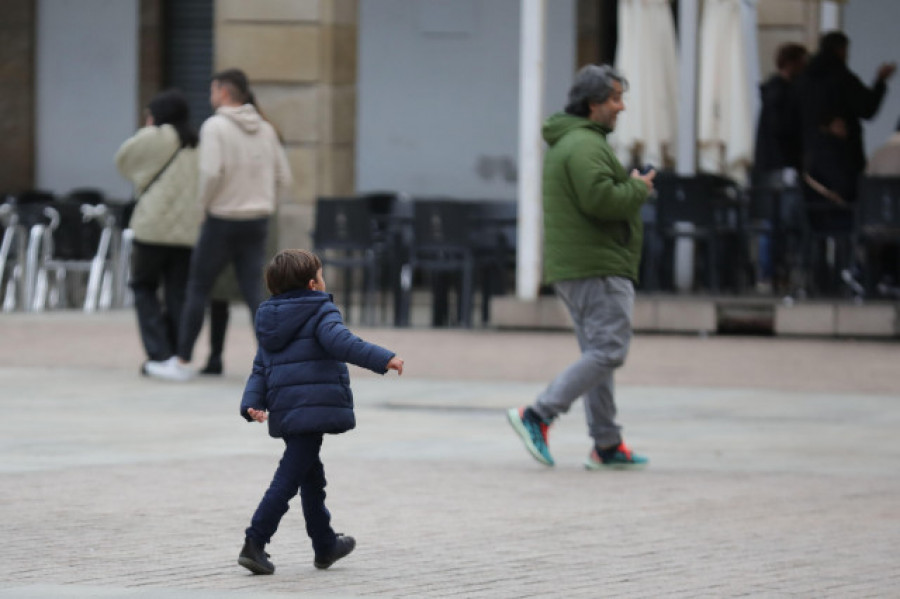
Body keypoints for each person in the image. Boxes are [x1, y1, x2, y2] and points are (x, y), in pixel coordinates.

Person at [506, 65, 655, 470]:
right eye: (615, 99)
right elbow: (600, 200)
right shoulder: (585, 145)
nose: (621, 107)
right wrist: (638, 189)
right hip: (598, 264)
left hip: (580, 265)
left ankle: (606, 444)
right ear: (593, 105)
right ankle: (537, 414)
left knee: (597, 353)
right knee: (609, 350)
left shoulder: (569, 141)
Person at [237, 249, 404, 575]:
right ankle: (254, 542)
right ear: (313, 284)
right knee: (287, 479)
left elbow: (260, 367)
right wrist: (383, 358)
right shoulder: (320, 310)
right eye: (322, 275)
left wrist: (251, 403)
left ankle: (325, 544)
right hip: (311, 410)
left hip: (289, 412)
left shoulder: (269, 319)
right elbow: (343, 342)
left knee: (312, 477)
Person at [146, 68, 292, 381]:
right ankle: (276, 363)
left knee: (198, 287)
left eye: (213, 90)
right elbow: (284, 177)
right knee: (256, 292)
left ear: (223, 92)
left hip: (222, 219)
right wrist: (266, 203)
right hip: (257, 220)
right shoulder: (265, 129)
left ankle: (182, 361)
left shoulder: (216, 127)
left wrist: (204, 207)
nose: (211, 96)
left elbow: (211, 173)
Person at [115, 89, 201, 374]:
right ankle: (177, 355)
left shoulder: (154, 136)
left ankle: (158, 354)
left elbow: (123, 161)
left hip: (152, 228)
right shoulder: (197, 140)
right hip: (188, 231)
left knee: (144, 287)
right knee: (178, 292)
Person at [797, 31, 895, 208]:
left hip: (809, 158)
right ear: (840, 50)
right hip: (842, 159)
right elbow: (867, 108)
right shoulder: (842, 78)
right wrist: (880, 82)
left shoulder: (806, 79)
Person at [752, 43, 809, 292]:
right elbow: (782, 131)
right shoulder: (783, 94)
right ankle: (772, 272)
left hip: (769, 166)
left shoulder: (773, 92)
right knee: (780, 222)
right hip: (780, 165)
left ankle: (769, 272)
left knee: (771, 222)